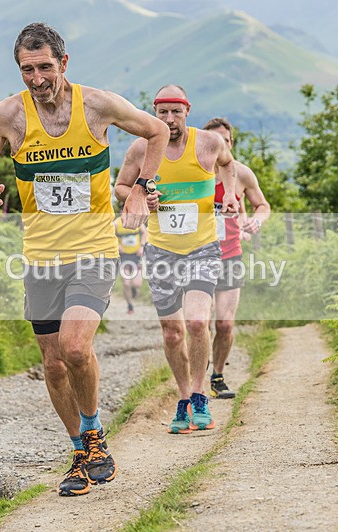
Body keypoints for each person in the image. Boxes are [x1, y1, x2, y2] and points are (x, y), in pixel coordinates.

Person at [0, 22, 168, 496]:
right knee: (54, 363)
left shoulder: (97, 105)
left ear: (64, 63)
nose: (36, 79)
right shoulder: (8, 116)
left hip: (94, 250)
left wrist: (140, 188)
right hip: (41, 256)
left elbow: (156, 131)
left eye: (44, 67)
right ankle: (79, 452)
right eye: (26, 70)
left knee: (76, 348)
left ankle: (95, 435)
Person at [115, 85, 238, 435]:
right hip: (161, 250)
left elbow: (228, 166)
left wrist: (228, 193)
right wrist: (140, 196)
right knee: (172, 332)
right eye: (162, 112)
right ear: (154, 113)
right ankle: (183, 399)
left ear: (187, 111)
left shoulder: (210, 143)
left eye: (176, 112)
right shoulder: (141, 147)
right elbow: (120, 187)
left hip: (202, 247)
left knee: (198, 322)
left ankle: (200, 395)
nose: (169, 119)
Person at [203, 117, 270, 399]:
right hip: (197, 256)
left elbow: (263, 205)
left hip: (230, 255)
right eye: (213, 141)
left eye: (225, 142)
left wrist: (255, 222)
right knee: (198, 323)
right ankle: (197, 376)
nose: (220, 146)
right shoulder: (194, 174)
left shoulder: (242, 174)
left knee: (225, 324)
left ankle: (217, 376)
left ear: (230, 145)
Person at [114, 210, 147, 314]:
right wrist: (118, 245)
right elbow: (110, 235)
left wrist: (142, 246)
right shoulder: (116, 223)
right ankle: (130, 305)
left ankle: (134, 290)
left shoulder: (137, 221)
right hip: (123, 256)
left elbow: (145, 232)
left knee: (137, 284)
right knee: (126, 283)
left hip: (136, 255)